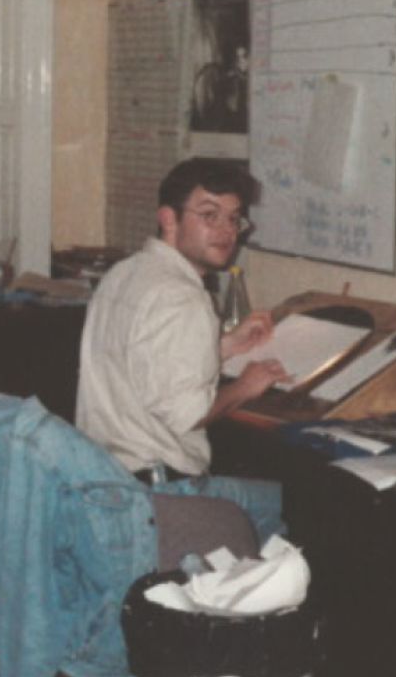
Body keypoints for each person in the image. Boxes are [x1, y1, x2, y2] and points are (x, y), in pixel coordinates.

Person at [76, 158, 288, 540]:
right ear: (168, 219)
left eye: (233, 218)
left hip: (102, 478)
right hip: (160, 492)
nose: (225, 231)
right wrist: (245, 387)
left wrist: (223, 345)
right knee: (289, 505)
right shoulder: (184, 298)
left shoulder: (125, 272)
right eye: (210, 215)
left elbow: (143, 358)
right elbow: (186, 415)